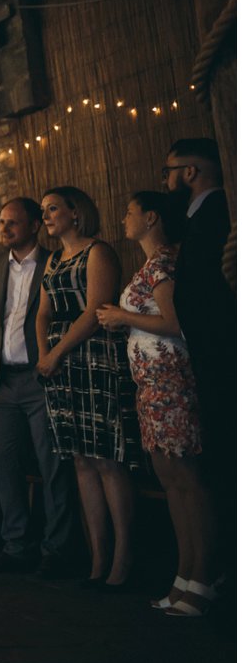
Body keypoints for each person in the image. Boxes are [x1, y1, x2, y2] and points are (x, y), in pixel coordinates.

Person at [99, 190, 216, 616]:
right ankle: (183, 576)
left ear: (151, 218)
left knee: (188, 480)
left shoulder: (165, 264)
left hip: (172, 383)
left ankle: (202, 578)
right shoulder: (148, 266)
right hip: (150, 385)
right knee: (170, 481)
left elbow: (174, 322)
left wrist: (123, 317)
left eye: (129, 211)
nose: (124, 218)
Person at [34, 187, 138, 587]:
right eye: (42, 210)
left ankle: (124, 559)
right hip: (58, 364)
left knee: (107, 459)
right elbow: (42, 312)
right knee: (80, 458)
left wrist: (56, 352)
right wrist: (45, 354)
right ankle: (97, 557)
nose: (46, 216)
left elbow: (95, 311)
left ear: (76, 213)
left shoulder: (97, 252)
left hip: (93, 356)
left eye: (52, 209)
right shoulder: (54, 260)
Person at [0, 198, 75, 576]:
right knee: (2, 461)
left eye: (13, 223)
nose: (4, 229)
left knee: (53, 465)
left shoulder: (53, 262)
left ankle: (58, 549)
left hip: (41, 378)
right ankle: (16, 544)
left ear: (35, 225)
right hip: (4, 381)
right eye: (1, 222)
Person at [161, 137, 231, 555]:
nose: (166, 180)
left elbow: (209, 289)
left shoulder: (216, 214)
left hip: (218, 351)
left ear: (190, 172)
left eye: (169, 171)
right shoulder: (197, 217)